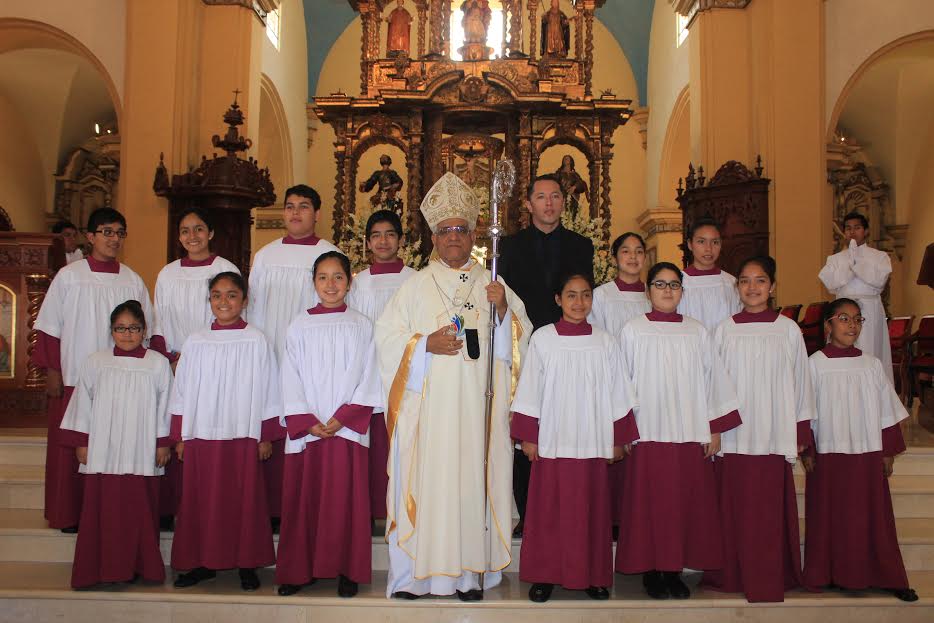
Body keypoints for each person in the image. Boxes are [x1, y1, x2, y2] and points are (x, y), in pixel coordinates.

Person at [375, 171, 532, 601]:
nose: (453, 237)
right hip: (429, 415)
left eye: (461, 229)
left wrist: (502, 314)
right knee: (427, 486)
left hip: (475, 415)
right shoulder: (413, 287)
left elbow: (521, 344)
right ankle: (414, 579)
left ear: (474, 233)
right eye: (445, 231)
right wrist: (424, 344)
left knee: (470, 487)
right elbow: (386, 340)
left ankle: (468, 576)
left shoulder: (494, 285)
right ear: (433, 237)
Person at [510, 272, 638, 603]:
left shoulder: (605, 341)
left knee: (591, 513)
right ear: (558, 299)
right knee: (549, 513)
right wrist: (529, 435)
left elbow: (618, 391)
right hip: (553, 439)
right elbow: (530, 389)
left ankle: (593, 575)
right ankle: (545, 575)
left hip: (592, 439)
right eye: (571, 295)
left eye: (585, 295)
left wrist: (618, 439)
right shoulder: (543, 338)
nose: (579, 302)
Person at [616, 262, 741, 600]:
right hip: (648, 431)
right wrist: (625, 430)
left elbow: (712, 380)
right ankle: (652, 571)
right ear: (648, 291)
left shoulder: (697, 331)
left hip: (688, 430)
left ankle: (674, 571)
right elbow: (621, 384)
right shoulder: (632, 330)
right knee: (650, 506)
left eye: (674, 285)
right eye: (660, 284)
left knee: (681, 505)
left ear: (682, 292)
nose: (668, 290)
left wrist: (714, 429)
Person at [32, 207, 158, 532]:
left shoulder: (132, 280)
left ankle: (105, 512)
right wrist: (53, 371)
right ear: (90, 237)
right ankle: (68, 514)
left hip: (122, 382)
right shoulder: (69, 276)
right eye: (106, 231)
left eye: (119, 232)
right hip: (75, 377)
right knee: (71, 447)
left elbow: (149, 331)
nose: (113, 238)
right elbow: (49, 327)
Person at [702, 256, 815, 602]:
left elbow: (801, 383)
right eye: (745, 281)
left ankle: (772, 573)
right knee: (733, 508)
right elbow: (712, 385)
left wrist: (799, 432)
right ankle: (731, 574)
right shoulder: (724, 329)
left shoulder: (788, 329)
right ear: (737, 288)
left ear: (772, 286)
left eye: (760, 281)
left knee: (767, 512)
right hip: (735, 436)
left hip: (773, 432)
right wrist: (715, 429)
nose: (752, 288)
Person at [276, 252, 384, 598]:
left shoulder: (362, 324)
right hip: (309, 431)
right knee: (302, 501)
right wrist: (307, 421)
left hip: (346, 430)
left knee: (345, 503)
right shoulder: (298, 325)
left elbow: (370, 376)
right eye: (323, 277)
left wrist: (344, 417)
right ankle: (298, 571)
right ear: (313, 283)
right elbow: (288, 376)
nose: (331, 284)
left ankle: (346, 570)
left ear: (349, 282)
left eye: (338, 277)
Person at [169, 272, 281, 592]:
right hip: (202, 432)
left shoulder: (257, 339)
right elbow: (182, 390)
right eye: (216, 295)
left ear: (245, 301)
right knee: (201, 500)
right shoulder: (196, 341)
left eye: (231, 295)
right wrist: (180, 435)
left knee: (243, 499)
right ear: (209, 301)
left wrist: (265, 435)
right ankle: (202, 562)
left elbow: (270, 387)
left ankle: (246, 563)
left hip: (243, 431)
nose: (223, 302)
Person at [802, 298, 917, 602]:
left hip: (866, 451)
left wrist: (888, 450)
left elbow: (885, 410)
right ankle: (829, 574)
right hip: (828, 452)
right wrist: (807, 450)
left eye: (857, 319)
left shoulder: (872, 364)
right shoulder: (814, 364)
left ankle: (885, 575)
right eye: (843, 318)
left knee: (873, 517)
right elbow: (805, 410)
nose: (851, 325)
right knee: (830, 516)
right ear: (828, 325)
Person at [499, 173, 593, 538]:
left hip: (569, 348)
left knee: (567, 423)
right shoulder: (509, 247)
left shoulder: (581, 245)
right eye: (541, 196)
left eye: (555, 196)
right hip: (524, 350)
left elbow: (582, 295)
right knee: (527, 427)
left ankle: (570, 505)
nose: (549, 203)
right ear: (528, 204)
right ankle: (526, 509)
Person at [60, 300, 172, 589]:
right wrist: (82, 442)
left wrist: (163, 443)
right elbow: (82, 404)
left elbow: (166, 407)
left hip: (141, 450)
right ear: (111, 331)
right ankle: (97, 569)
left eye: (133, 328)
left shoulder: (157, 364)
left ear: (144, 330)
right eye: (120, 328)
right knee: (103, 514)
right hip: (103, 451)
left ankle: (142, 566)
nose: (127, 334)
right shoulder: (96, 361)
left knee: (140, 511)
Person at [248, 184, 337, 529]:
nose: (295, 213)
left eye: (303, 206)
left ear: (317, 213)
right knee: (272, 424)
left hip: (311, 360)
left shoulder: (328, 253)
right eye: (289, 207)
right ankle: (273, 510)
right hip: (270, 348)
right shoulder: (266, 255)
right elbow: (253, 306)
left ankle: (306, 508)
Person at [152, 207, 239, 529]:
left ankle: (210, 504)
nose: (193, 236)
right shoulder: (167, 273)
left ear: (211, 233)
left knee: (206, 432)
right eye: (186, 230)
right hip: (175, 362)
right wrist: (170, 358)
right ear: (178, 236)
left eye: (199, 229)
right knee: (178, 428)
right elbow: (158, 318)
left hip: (216, 364)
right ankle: (172, 506)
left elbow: (234, 312)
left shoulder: (225, 268)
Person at [346, 210, 417, 523]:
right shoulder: (357, 283)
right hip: (370, 372)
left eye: (390, 234)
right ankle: (373, 510)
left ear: (401, 240)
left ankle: (403, 509)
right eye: (376, 235)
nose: (383, 241)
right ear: (367, 242)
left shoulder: (415, 280)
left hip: (406, 372)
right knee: (374, 447)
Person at [818, 212, 893, 384]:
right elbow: (830, 284)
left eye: (857, 228)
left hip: (870, 309)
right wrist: (849, 265)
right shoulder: (835, 259)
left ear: (866, 231)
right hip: (843, 308)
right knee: (843, 348)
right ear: (844, 232)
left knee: (870, 350)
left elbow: (879, 281)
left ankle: (872, 389)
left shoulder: (879, 256)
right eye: (848, 228)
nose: (852, 232)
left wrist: (857, 263)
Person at [677, 218, 741, 331]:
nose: (709, 248)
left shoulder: (731, 283)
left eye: (715, 242)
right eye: (701, 241)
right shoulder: (678, 283)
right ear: (690, 244)